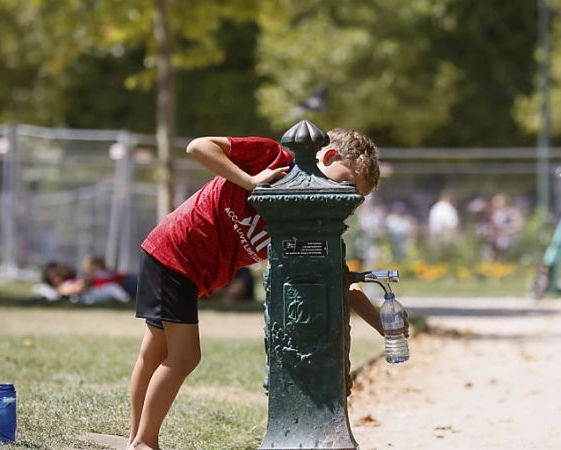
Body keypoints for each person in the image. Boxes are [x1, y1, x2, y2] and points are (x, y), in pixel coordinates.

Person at [127, 129, 389, 450]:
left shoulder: (306, 217)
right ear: (330, 156)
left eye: (354, 198)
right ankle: (144, 442)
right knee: (184, 357)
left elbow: (334, 280)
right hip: (177, 253)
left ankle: (135, 439)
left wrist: (384, 327)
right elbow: (198, 146)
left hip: (189, 270)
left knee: (155, 352)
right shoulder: (271, 158)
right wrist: (250, 181)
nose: (345, 200)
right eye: (346, 185)